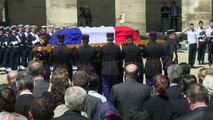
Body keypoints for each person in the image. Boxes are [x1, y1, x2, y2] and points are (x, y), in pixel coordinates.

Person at [101, 32, 122, 99]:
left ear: (107, 39)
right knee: (115, 85)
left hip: (105, 68)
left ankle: (107, 99)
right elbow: (119, 57)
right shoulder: (117, 47)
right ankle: (114, 99)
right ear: (113, 39)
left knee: (106, 86)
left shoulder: (103, 48)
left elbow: (100, 56)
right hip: (115, 67)